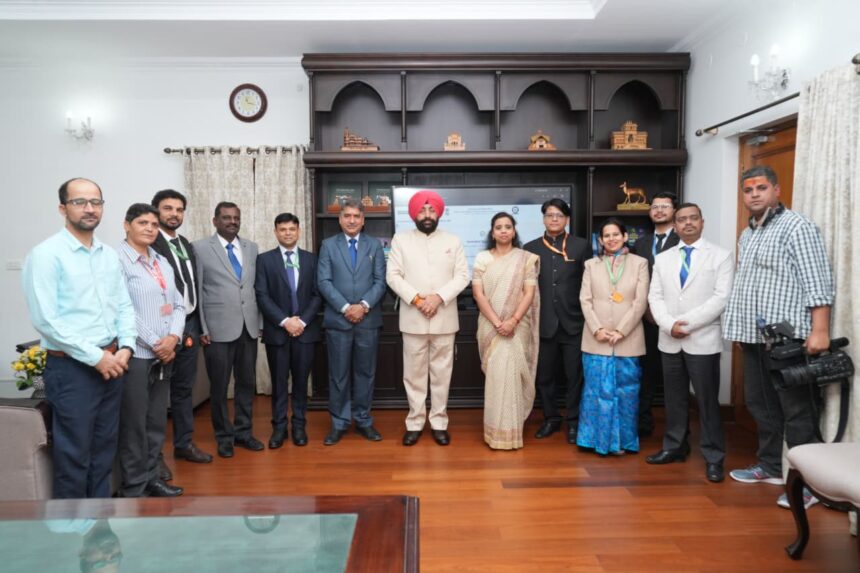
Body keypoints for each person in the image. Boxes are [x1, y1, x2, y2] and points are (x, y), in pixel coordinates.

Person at [724, 165, 834, 509]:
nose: (754, 194)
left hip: (790, 340)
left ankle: (810, 485)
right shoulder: (748, 233)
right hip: (754, 338)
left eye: (761, 188)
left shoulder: (797, 226)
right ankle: (771, 466)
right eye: (748, 190)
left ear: (777, 190)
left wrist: (820, 330)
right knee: (761, 405)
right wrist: (739, 328)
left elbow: (817, 280)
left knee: (798, 412)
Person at [22, 177, 136, 498]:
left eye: (95, 202)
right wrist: (97, 357)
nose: (89, 208)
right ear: (63, 208)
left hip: (113, 364)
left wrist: (126, 346)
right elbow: (46, 320)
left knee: (104, 451)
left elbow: (124, 306)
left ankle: (98, 523)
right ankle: (71, 527)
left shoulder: (108, 254)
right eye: (79, 202)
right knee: (74, 456)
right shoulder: (46, 255)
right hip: (72, 369)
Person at [645, 203, 734, 483]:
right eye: (681, 220)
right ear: (675, 225)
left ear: (702, 222)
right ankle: (675, 446)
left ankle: (714, 456)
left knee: (707, 401)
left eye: (693, 218)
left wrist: (687, 324)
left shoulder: (721, 256)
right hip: (669, 338)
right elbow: (655, 296)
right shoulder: (663, 258)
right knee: (674, 398)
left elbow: (721, 297)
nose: (687, 223)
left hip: (702, 338)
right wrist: (668, 324)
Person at [386, 191, 470, 446]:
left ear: (438, 213)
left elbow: (462, 276)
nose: (427, 215)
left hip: (444, 318)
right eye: (422, 210)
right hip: (413, 319)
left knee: (442, 375)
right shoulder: (401, 240)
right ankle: (414, 423)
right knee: (414, 376)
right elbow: (393, 276)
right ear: (414, 214)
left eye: (431, 210)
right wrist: (418, 300)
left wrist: (438, 298)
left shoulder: (453, 240)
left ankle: (439, 423)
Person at [116, 203, 186, 498]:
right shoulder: (117, 260)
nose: (149, 228)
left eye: (154, 224)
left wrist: (173, 337)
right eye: (142, 223)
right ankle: (133, 487)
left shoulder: (161, 260)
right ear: (127, 225)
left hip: (165, 353)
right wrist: (157, 343)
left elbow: (179, 303)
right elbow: (122, 309)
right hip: (136, 355)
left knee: (156, 421)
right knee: (134, 424)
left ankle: (152, 478)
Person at [193, 202, 263, 458]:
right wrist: (202, 327)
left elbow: (255, 288)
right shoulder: (200, 248)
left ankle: (244, 433)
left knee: (246, 384)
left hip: (248, 327)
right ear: (215, 221)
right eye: (226, 218)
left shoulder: (251, 248)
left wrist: (260, 323)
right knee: (220, 387)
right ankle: (224, 437)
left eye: (236, 218)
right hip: (217, 329)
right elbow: (198, 291)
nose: (232, 222)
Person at [317, 199, 387, 445]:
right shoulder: (328, 245)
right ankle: (339, 423)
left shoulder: (374, 245)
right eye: (347, 215)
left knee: (365, 373)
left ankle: (363, 420)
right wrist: (347, 308)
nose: (352, 220)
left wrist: (363, 306)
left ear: (363, 220)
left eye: (357, 216)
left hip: (368, 321)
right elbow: (323, 281)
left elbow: (380, 281)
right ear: (340, 219)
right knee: (338, 375)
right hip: (339, 320)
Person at [151, 189, 213, 467]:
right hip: (161, 329)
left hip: (189, 323)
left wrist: (199, 325)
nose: (174, 214)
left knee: (183, 389)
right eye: (168, 208)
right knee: (156, 395)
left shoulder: (184, 243)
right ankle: (154, 459)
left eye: (179, 209)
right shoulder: (150, 244)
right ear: (156, 210)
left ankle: (184, 444)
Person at [578, 218, 649, 455]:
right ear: (600, 240)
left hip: (628, 339)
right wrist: (597, 329)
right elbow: (585, 300)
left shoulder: (640, 263)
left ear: (625, 236)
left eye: (616, 234)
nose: (611, 239)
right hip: (595, 339)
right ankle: (594, 441)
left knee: (626, 393)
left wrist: (621, 330)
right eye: (606, 236)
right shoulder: (591, 265)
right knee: (595, 391)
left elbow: (640, 301)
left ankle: (623, 442)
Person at [524, 198, 591, 443]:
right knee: (545, 377)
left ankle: (573, 422)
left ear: (567, 219)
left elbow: (589, 282)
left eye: (559, 215)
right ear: (543, 218)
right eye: (550, 215)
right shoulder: (530, 248)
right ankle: (551, 418)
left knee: (574, 377)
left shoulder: (581, 246)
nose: (554, 219)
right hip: (543, 323)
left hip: (574, 322)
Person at [472, 212, 539, 450]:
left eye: (507, 227)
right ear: (492, 232)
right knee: (497, 378)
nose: (503, 231)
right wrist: (498, 323)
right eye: (498, 227)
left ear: (514, 231)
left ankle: (511, 434)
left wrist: (513, 320)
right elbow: (478, 294)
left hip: (517, 327)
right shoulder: (482, 258)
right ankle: (494, 433)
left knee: (512, 377)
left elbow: (529, 293)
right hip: (491, 326)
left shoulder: (525, 259)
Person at [255, 213, 322, 448]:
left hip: (305, 332)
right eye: (282, 229)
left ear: (299, 231)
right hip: (278, 333)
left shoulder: (312, 259)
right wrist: (285, 321)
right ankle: (279, 427)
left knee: (302, 382)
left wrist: (301, 322)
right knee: (279, 383)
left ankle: (300, 426)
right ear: (275, 232)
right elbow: (262, 295)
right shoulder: (264, 260)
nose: (287, 233)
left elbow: (317, 294)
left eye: (292, 229)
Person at [632, 191, 680, 436]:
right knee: (646, 372)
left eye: (664, 206)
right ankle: (644, 422)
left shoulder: (683, 240)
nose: (659, 210)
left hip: (675, 318)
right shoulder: (641, 243)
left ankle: (677, 430)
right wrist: (646, 310)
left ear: (674, 211)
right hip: (647, 318)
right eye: (655, 206)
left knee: (675, 375)